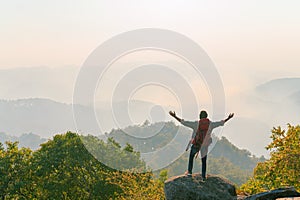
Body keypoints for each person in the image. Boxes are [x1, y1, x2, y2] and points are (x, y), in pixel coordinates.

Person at [169, 110, 234, 180]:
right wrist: (229, 118)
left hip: (196, 144)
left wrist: (174, 116)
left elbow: (184, 122)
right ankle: (203, 176)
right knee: (204, 161)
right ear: (206, 116)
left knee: (191, 157)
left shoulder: (196, 124)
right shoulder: (210, 124)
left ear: (200, 116)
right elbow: (220, 123)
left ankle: (189, 172)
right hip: (204, 145)